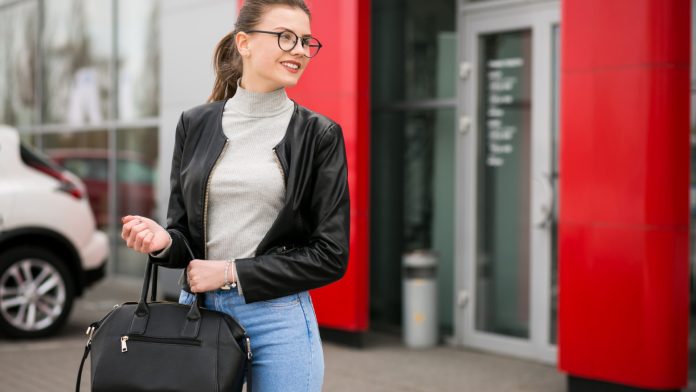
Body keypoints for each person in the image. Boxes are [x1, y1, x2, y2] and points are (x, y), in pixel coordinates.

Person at [120, 0, 350, 390]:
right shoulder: (194, 124)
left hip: (279, 319)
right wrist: (163, 242)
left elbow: (331, 255)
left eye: (306, 41)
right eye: (285, 37)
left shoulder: (319, 135)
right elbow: (184, 241)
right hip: (199, 312)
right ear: (244, 42)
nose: (298, 50)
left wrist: (230, 272)